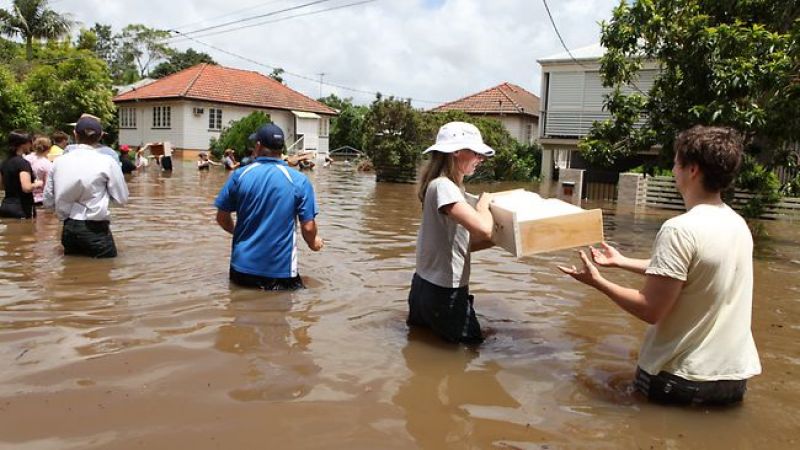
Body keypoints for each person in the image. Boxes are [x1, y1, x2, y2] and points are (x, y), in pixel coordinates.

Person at [558, 125, 761, 406]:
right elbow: (693, 272)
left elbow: (650, 309)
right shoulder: (737, 224)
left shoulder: (679, 229)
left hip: (680, 378)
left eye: (676, 163)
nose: (673, 170)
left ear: (693, 170)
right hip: (733, 379)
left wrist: (598, 283)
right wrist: (622, 262)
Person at [406, 121, 496, 344]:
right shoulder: (444, 187)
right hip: (444, 293)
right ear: (456, 151)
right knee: (470, 350)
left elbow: (455, 244)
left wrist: (500, 239)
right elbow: (484, 229)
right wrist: (484, 204)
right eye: (475, 153)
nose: (480, 159)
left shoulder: (442, 187)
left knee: (422, 346)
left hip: (424, 287)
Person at [214, 123, 323, 290]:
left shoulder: (240, 175)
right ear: (281, 149)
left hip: (241, 269)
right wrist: (314, 243)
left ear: (258, 146)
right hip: (280, 272)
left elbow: (222, 218)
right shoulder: (299, 180)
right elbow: (308, 228)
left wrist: (239, 232)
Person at [43, 115, 129, 258]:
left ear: (75, 134)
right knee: (105, 269)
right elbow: (122, 199)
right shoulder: (107, 161)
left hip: (68, 228)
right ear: (100, 136)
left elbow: (47, 201)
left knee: (70, 269)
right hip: (95, 228)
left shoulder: (58, 162)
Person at [0, 130, 42, 219]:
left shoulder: (4, 162)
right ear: (23, 144)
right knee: (27, 228)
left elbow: (1, 186)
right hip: (22, 208)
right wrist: (37, 184)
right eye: (30, 142)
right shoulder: (23, 163)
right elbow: (26, 188)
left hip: (5, 206)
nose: (31, 145)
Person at [28, 136, 53, 205]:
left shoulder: (26, 158)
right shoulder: (47, 164)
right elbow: (48, 185)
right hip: (40, 199)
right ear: (49, 149)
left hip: (26, 196)